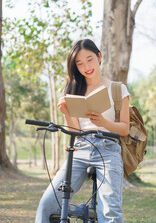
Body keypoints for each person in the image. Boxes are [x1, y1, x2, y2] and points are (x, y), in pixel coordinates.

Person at [35, 39, 130, 223]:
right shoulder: (72, 89)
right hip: (79, 149)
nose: (86, 66)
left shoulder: (118, 89)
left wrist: (103, 121)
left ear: (99, 57)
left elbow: (124, 129)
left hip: (108, 149)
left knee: (110, 213)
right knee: (47, 205)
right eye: (79, 63)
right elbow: (76, 131)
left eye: (89, 59)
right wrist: (66, 113)